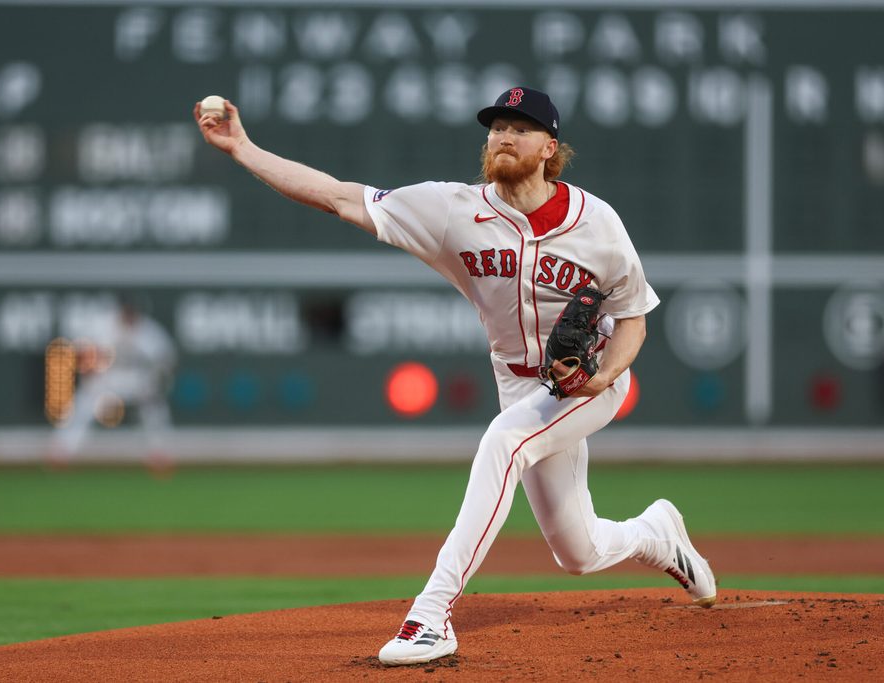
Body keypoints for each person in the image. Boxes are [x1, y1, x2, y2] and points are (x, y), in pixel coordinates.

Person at [194, 86, 716, 667]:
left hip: (588, 385)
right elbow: (339, 198)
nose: (504, 136)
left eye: (520, 127)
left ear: (550, 146)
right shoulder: (451, 211)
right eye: (496, 126)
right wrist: (243, 148)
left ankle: (432, 615)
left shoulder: (596, 222)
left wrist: (604, 377)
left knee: (503, 441)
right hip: (520, 384)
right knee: (579, 551)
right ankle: (656, 534)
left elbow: (634, 315)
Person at [49, 298, 178, 474]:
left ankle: (159, 455)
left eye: (133, 314)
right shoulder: (102, 326)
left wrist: (156, 383)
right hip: (107, 377)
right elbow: (81, 352)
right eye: (127, 313)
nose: (130, 317)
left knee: (154, 407)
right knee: (84, 402)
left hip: (137, 380)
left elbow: (166, 361)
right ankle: (62, 452)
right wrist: (89, 371)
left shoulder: (149, 332)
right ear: (121, 312)